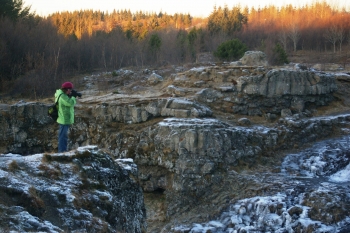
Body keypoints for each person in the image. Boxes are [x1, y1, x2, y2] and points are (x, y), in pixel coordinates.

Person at [55, 82, 78, 152]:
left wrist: (71, 96)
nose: (71, 91)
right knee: (63, 136)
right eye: (70, 89)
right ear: (67, 89)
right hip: (64, 119)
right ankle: (62, 151)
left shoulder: (62, 94)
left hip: (64, 118)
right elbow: (70, 103)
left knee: (63, 136)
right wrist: (73, 97)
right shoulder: (62, 96)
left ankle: (62, 150)